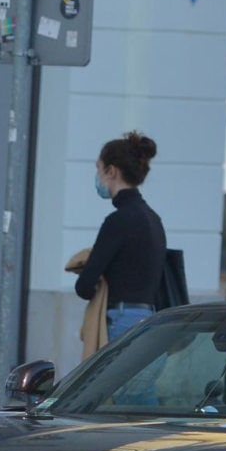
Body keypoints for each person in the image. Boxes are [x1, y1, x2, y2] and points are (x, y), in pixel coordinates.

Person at [73, 131, 168, 342]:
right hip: (151, 320)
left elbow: (84, 286)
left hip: (121, 321)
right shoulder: (153, 219)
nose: (97, 176)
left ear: (111, 172)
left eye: (98, 169)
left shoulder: (119, 220)